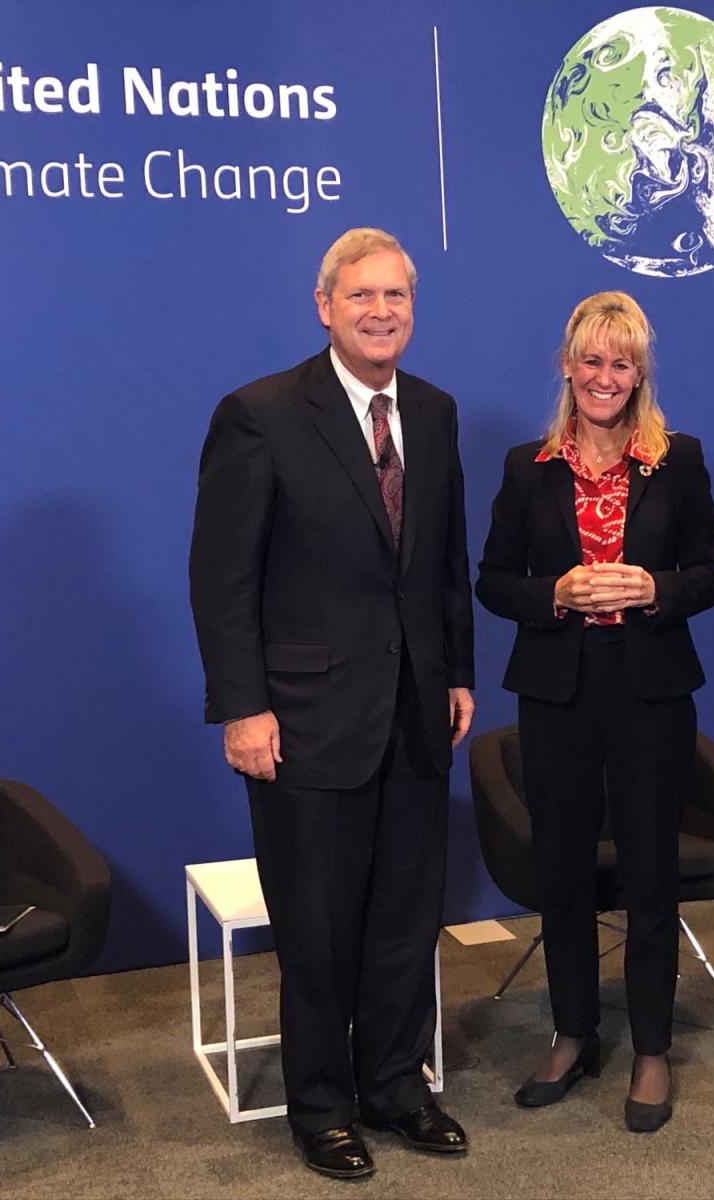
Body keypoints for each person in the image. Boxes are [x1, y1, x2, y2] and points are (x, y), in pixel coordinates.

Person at [188, 228, 474, 1181]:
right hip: (303, 721)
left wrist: (458, 674)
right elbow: (221, 580)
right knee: (315, 925)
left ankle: (395, 1086)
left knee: (403, 916)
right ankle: (321, 1105)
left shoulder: (432, 413)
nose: (381, 312)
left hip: (414, 713)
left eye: (396, 296)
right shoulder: (260, 414)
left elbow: (443, 566)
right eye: (362, 297)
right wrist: (242, 708)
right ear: (325, 306)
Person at [476, 291, 714, 1133]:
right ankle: (574, 1031)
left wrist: (657, 587)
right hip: (557, 694)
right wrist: (555, 592)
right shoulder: (528, 466)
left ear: (640, 374)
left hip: (651, 693)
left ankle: (651, 1046)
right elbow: (492, 580)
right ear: (568, 366)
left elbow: (713, 571)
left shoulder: (678, 460)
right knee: (564, 874)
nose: (606, 377)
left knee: (652, 872)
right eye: (592, 360)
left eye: (622, 364)